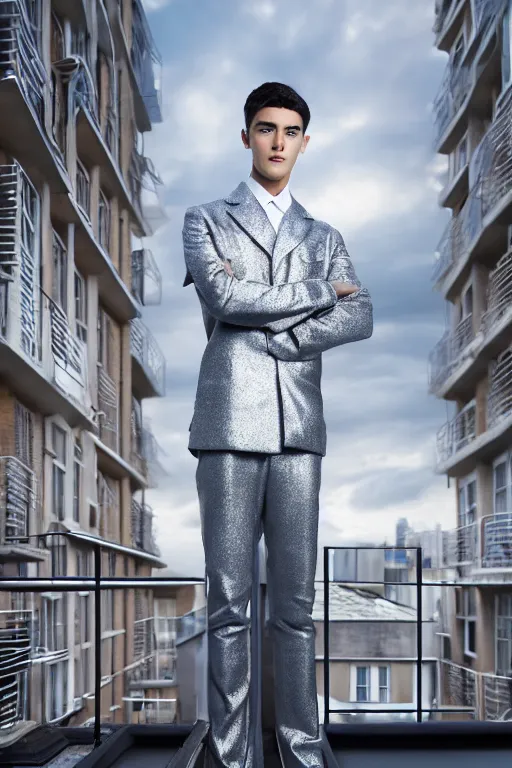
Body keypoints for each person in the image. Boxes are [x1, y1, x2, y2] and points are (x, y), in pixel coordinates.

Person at [182, 81, 373, 768]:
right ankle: (231, 757)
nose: (278, 141)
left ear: (304, 142)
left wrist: (279, 338)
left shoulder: (326, 234)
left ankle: (301, 750)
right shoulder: (204, 219)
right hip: (229, 423)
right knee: (229, 606)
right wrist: (320, 293)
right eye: (266, 128)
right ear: (246, 137)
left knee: (294, 608)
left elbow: (364, 316)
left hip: (299, 432)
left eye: (291, 131)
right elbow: (225, 295)